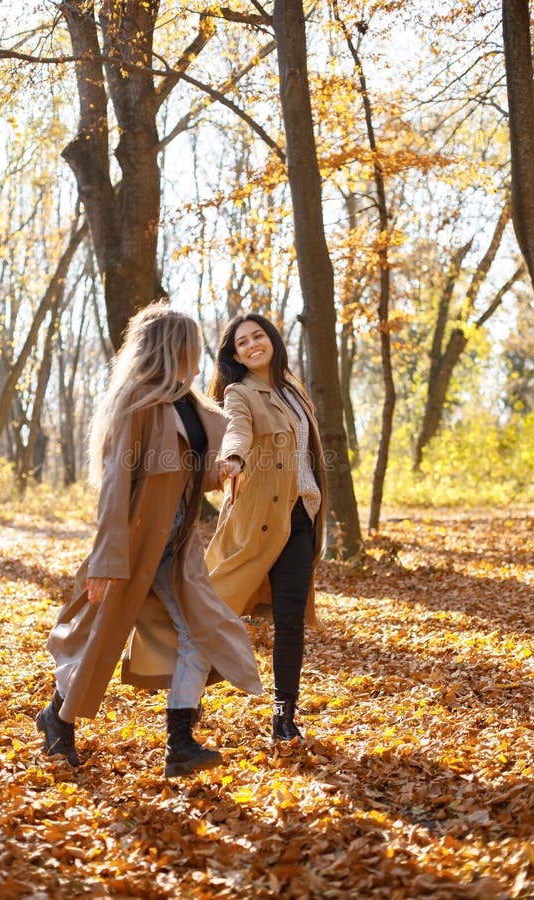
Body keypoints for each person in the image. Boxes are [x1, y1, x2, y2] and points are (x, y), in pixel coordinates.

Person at [36, 304, 262, 776]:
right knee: (99, 638)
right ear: (172, 347)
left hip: (177, 548)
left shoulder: (193, 406)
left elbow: (185, 476)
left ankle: (180, 743)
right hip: (135, 546)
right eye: (192, 342)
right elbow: (118, 485)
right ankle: (58, 721)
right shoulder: (137, 404)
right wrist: (106, 559)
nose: (199, 352)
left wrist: (218, 472)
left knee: (201, 632)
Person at [206, 313, 327, 743]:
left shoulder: (294, 391)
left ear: (272, 340)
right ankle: (184, 702)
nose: (253, 344)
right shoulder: (240, 393)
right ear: (234, 355)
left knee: (290, 620)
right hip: (257, 520)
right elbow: (236, 431)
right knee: (215, 608)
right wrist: (233, 460)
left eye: (259, 336)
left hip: (299, 517)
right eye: (243, 342)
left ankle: (283, 716)